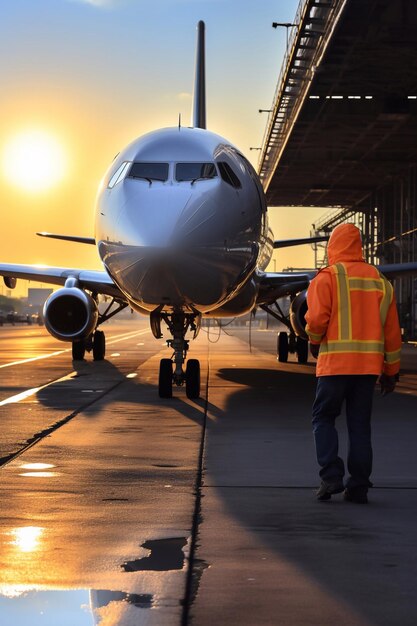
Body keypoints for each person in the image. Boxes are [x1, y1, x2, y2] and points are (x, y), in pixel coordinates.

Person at [305, 223, 401, 504]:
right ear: (359, 246)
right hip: (367, 370)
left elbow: (316, 320)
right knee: (360, 427)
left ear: (332, 246)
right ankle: (358, 486)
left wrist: (313, 340)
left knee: (323, 418)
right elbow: (392, 333)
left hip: (334, 366)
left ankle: (331, 476)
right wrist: (391, 372)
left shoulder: (328, 277)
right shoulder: (380, 280)